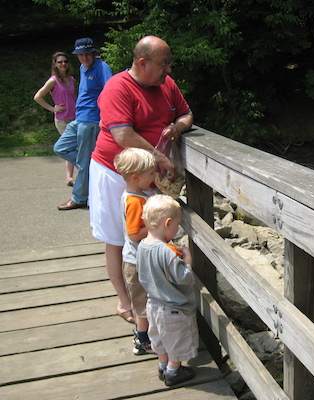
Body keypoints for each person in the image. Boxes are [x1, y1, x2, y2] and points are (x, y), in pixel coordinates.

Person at [89, 35, 193, 324]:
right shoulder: (117, 88)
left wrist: (177, 127)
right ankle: (126, 304)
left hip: (149, 179)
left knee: (147, 236)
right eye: (164, 64)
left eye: (169, 63)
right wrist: (160, 158)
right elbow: (122, 135)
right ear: (142, 62)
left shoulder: (165, 85)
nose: (168, 70)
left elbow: (187, 114)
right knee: (117, 239)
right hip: (114, 173)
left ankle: (148, 299)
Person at [136, 194, 198, 386]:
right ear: (167, 223)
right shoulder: (166, 251)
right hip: (173, 308)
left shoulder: (141, 247)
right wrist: (187, 260)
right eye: (177, 225)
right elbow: (184, 278)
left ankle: (162, 366)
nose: (177, 229)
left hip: (153, 304)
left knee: (160, 340)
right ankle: (173, 372)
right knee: (176, 341)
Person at [54, 37, 113, 210]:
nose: (84, 58)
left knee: (83, 160)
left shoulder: (102, 68)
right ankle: (89, 166)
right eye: (80, 55)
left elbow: (111, 92)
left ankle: (79, 198)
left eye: (87, 54)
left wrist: (106, 117)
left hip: (91, 120)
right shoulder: (82, 68)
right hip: (78, 118)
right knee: (60, 148)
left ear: (93, 53)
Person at [113, 147, 157, 352]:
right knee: (141, 303)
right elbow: (133, 234)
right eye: (151, 173)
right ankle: (142, 340)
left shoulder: (133, 194)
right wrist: (154, 226)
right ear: (136, 177)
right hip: (135, 261)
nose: (154, 176)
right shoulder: (135, 201)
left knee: (144, 300)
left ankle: (144, 334)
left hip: (136, 259)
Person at [34, 51, 77, 186]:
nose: (63, 64)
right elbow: (38, 97)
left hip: (75, 118)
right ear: (55, 64)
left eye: (65, 61)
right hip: (62, 120)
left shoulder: (71, 79)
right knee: (71, 146)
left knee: (74, 147)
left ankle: (70, 177)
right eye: (59, 62)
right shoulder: (53, 81)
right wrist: (53, 108)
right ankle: (78, 173)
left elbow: (74, 97)